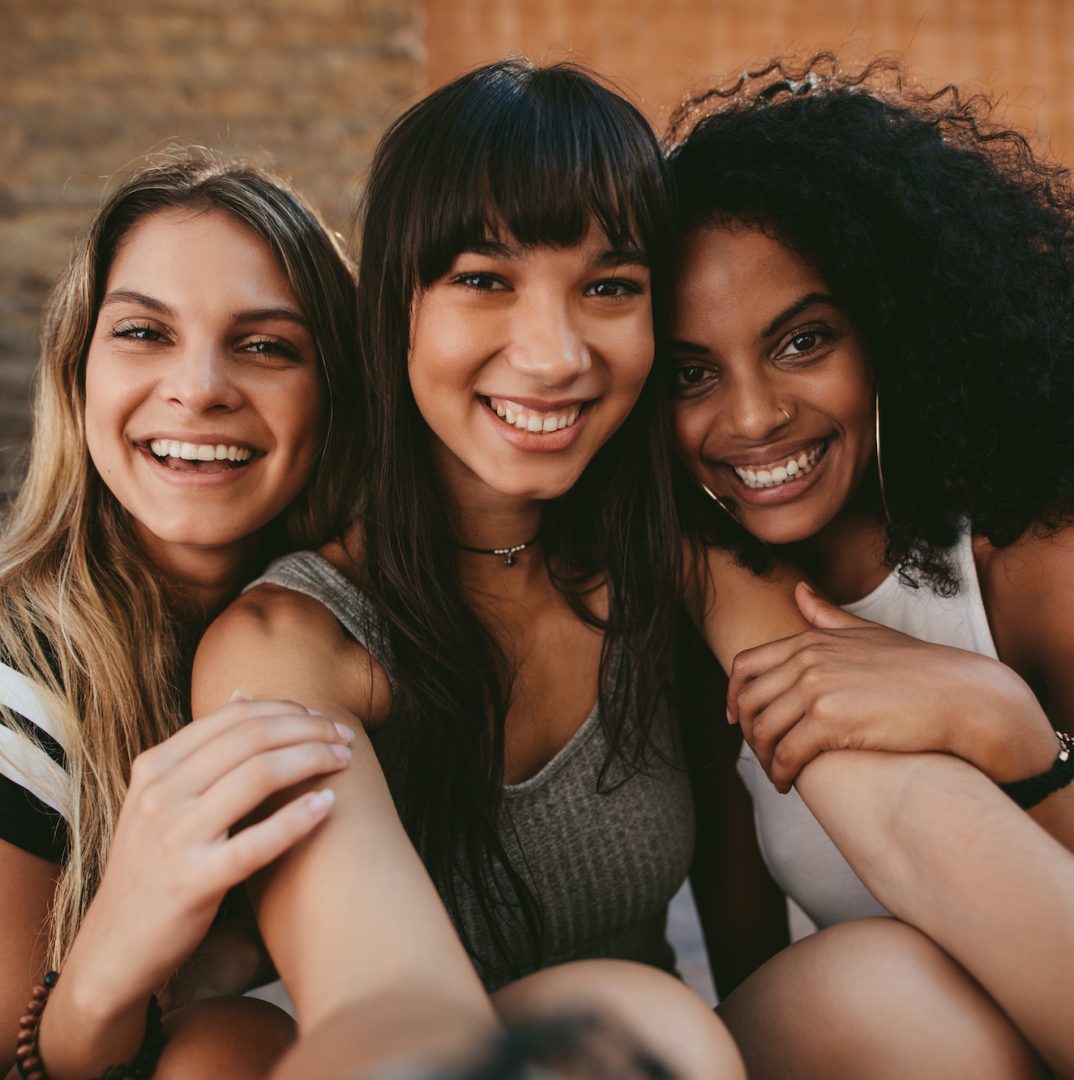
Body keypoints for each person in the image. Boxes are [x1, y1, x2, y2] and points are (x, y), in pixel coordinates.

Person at [191, 58, 779, 1080]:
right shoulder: (293, 643)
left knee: (870, 985)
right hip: (520, 1062)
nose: (553, 355)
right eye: (483, 279)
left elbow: (804, 829)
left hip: (677, 1056)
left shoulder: (672, 560)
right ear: (396, 306)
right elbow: (384, 1000)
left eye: (608, 286)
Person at [665, 54, 1074, 1075]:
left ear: (896, 330)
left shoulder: (1030, 556)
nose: (752, 417)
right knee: (872, 982)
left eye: (805, 341)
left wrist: (1010, 730)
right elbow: (747, 965)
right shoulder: (707, 601)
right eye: (692, 372)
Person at [0, 156, 366, 1078]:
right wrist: (120, 947)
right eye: (143, 333)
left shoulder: (381, 633)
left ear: (338, 393)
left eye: (267, 345)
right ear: (77, 370)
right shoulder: (19, 686)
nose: (199, 387)